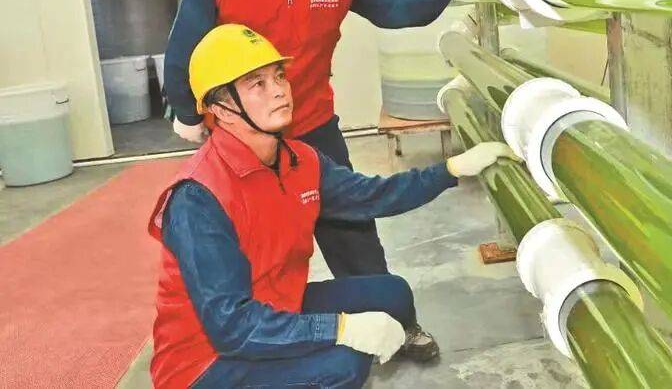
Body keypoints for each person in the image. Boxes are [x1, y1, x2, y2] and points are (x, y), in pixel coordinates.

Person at [163, 0, 489, 358]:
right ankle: (250, 335)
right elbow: (188, 38)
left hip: (310, 118)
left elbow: (401, 8)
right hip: (242, 132)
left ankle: (395, 323)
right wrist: (186, 109)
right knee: (243, 239)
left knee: (350, 223)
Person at [149, 25, 514, 388]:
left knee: (392, 293)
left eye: (279, 76)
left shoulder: (299, 161)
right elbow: (232, 327)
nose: (279, 90)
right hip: (207, 360)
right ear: (222, 109)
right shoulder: (199, 197)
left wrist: (452, 169)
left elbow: (373, 195)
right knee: (344, 363)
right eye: (257, 84)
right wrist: (341, 328)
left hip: (278, 304)